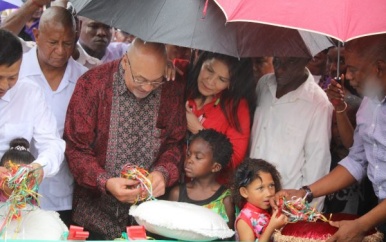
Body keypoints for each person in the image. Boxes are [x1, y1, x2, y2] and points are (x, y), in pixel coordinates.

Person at [64, 38, 186, 240]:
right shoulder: (92, 84)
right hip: (94, 216)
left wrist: (163, 173)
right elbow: (76, 148)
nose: (147, 87)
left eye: (155, 81)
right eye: (140, 79)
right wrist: (105, 182)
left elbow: (175, 144)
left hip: (149, 221)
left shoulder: (171, 89)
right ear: (125, 61)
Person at [271, 34, 386, 242]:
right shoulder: (368, 106)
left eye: (353, 69)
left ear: (379, 68)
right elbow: (356, 161)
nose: (347, 76)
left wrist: (361, 224)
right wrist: (305, 193)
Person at [17, 6, 87, 227]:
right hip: (13, 191)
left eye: (67, 43)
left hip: (65, 193)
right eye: (53, 43)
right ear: (37, 36)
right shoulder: (15, 73)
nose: (60, 51)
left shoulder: (85, 80)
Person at [250, 56, 333, 211]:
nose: (280, 69)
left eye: (291, 61)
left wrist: (307, 217)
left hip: (286, 204)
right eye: (277, 60)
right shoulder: (264, 84)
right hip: (252, 197)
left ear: (307, 58)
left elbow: (317, 164)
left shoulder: (319, 103)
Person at [0, 29, 65, 189]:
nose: (4, 85)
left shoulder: (30, 93)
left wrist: (39, 167)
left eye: (12, 77)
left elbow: (52, 143)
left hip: (15, 197)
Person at [186, 52, 256, 183]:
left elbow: (234, 159)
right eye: (209, 70)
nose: (210, 81)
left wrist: (199, 131)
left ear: (231, 83)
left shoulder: (236, 107)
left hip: (208, 192)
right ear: (201, 61)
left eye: (222, 79)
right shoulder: (182, 80)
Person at [324, 45, 370, 215]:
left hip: (354, 180)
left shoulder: (360, 103)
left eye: (341, 61)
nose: (333, 67)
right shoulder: (323, 96)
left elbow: (352, 146)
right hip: (332, 171)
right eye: (330, 60)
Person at [168, 129, 235, 229]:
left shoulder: (225, 199)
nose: (189, 160)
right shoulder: (177, 193)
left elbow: (227, 236)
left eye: (198, 157)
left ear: (215, 167)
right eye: (188, 154)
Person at [232, 158, 287, 241]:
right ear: (244, 192)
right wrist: (271, 228)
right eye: (261, 188)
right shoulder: (244, 220)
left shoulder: (268, 209)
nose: (269, 193)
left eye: (271, 185)